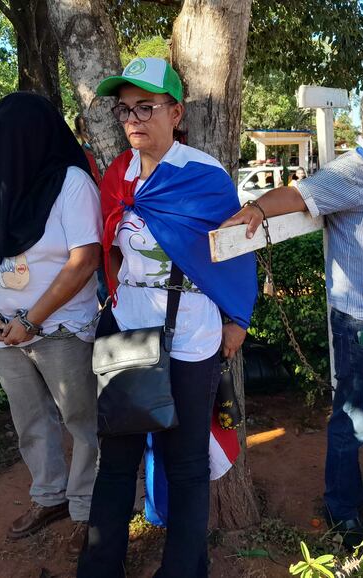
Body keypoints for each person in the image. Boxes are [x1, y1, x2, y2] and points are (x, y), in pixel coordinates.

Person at [221, 76, 363, 550]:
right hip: (361, 323)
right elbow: (301, 194)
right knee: (355, 419)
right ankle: (342, 508)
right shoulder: (358, 172)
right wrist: (257, 205)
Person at [77, 58, 256, 578]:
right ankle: (99, 568)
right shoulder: (118, 176)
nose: (134, 118)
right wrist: (110, 301)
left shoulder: (202, 175)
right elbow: (110, 246)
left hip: (192, 336)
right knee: (116, 461)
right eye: (125, 109)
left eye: (147, 107)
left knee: (185, 465)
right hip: (129, 332)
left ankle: (182, 571)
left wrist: (237, 318)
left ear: (176, 113)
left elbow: (234, 252)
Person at [0, 92, 102, 554]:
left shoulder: (71, 183)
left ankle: (86, 506)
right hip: (4, 333)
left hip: (60, 329)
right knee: (30, 420)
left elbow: (85, 261)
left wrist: (33, 320)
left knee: (81, 419)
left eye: (8, 139)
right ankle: (49, 495)